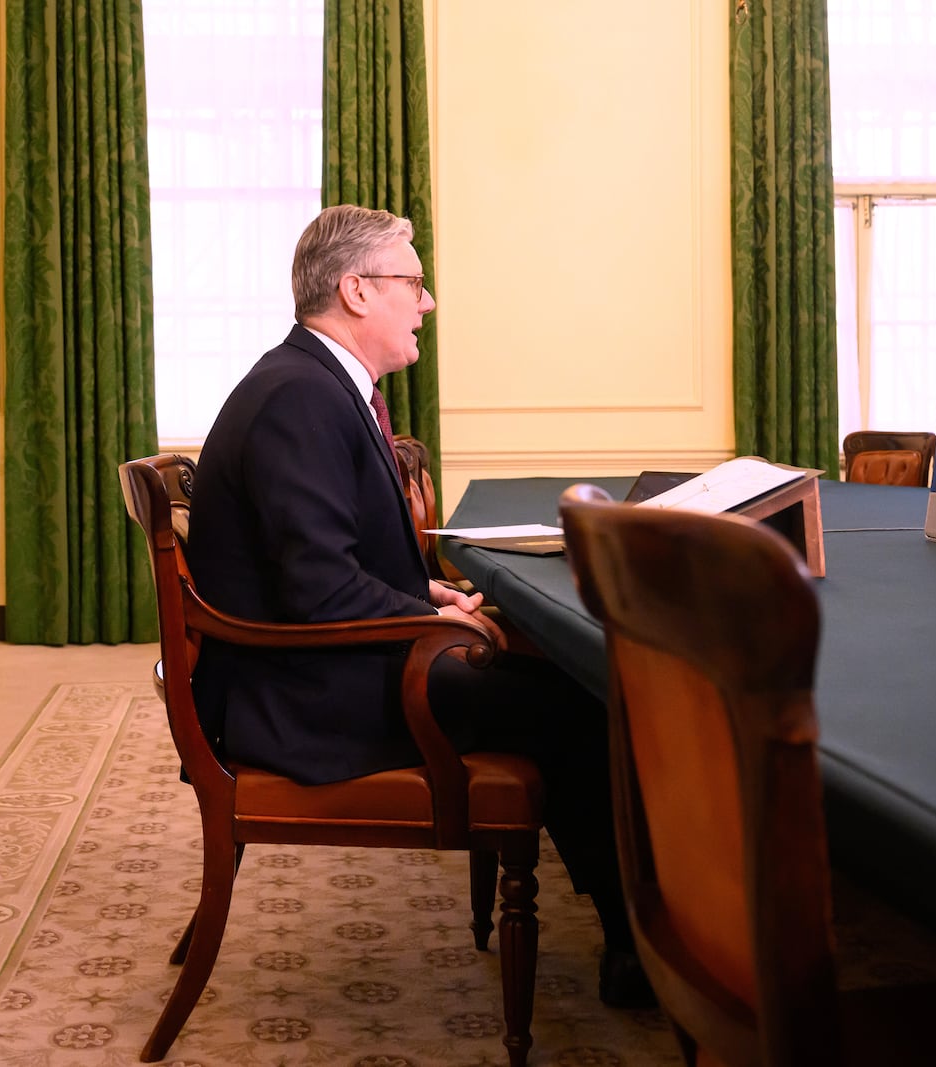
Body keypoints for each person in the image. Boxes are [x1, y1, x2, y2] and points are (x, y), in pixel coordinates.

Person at [181, 203, 653, 1008]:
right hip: (300, 697)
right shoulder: (301, 396)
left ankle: (629, 926)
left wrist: (418, 593)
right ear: (357, 291)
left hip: (313, 665)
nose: (427, 302)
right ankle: (640, 942)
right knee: (581, 701)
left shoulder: (315, 381)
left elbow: (323, 562)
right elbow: (319, 589)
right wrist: (432, 621)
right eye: (415, 283)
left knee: (553, 680)